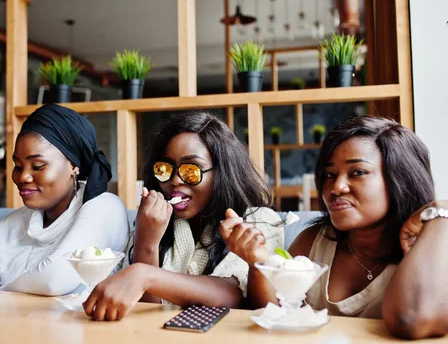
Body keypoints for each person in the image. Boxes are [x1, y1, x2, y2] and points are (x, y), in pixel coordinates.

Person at [222, 116, 448, 339]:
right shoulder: (314, 241)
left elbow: (410, 320)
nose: (336, 187)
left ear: (402, 178)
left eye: (357, 172)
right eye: (329, 175)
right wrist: (257, 262)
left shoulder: (434, 250)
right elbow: (277, 316)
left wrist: (439, 214)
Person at [83, 111, 283, 321]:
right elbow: (144, 311)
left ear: (221, 172)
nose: (175, 180)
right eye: (165, 168)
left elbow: (232, 295)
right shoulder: (153, 224)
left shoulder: (259, 221)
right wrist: (146, 242)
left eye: (191, 170)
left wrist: (145, 275)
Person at [0, 104, 129, 295]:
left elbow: (54, 280)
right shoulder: (9, 226)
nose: (23, 177)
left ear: (73, 166)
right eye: (18, 166)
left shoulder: (105, 207)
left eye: (38, 166)